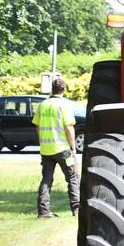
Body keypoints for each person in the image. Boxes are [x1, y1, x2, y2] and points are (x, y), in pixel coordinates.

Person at [32, 76, 79, 218]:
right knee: (72, 177)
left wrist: (42, 142)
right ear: (64, 90)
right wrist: (73, 147)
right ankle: (76, 209)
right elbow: (69, 128)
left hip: (46, 150)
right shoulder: (64, 105)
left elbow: (37, 126)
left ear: (52, 89)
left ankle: (43, 211)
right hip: (62, 149)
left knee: (46, 179)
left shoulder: (43, 105)